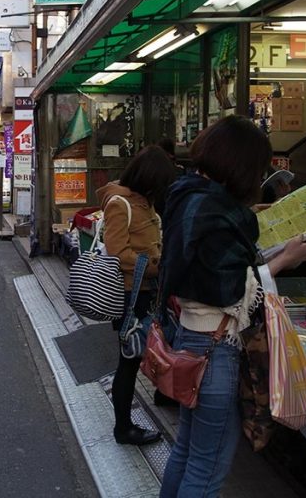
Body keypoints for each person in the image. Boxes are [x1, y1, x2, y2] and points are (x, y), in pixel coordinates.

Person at [159, 116, 306, 498]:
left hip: (190, 338)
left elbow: (208, 263)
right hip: (215, 349)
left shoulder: (188, 195)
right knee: (208, 468)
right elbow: (228, 288)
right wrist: (285, 260)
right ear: (243, 166)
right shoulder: (217, 213)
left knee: (188, 452)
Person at [96, 146, 178, 446]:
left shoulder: (144, 201)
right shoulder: (121, 203)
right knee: (129, 360)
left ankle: (163, 394)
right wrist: (155, 266)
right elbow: (118, 252)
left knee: (152, 347)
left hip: (147, 291)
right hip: (132, 294)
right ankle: (123, 428)